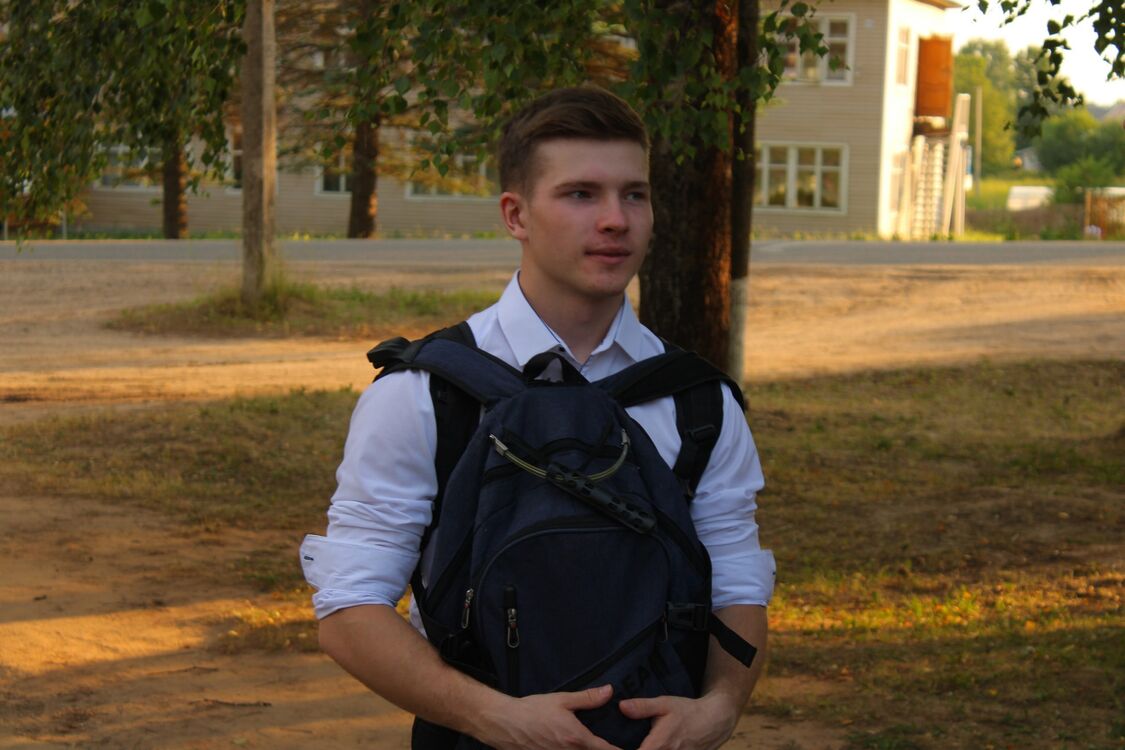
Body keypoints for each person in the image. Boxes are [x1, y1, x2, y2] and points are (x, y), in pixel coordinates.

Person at [301, 86, 775, 750]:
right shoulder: (426, 394)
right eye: (580, 194)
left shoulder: (698, 403)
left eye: (634, 195)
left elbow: (736, 579)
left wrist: (720, 707)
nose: (615, 220)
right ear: (515, 215)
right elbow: (349, 608)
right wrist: (495, 718)